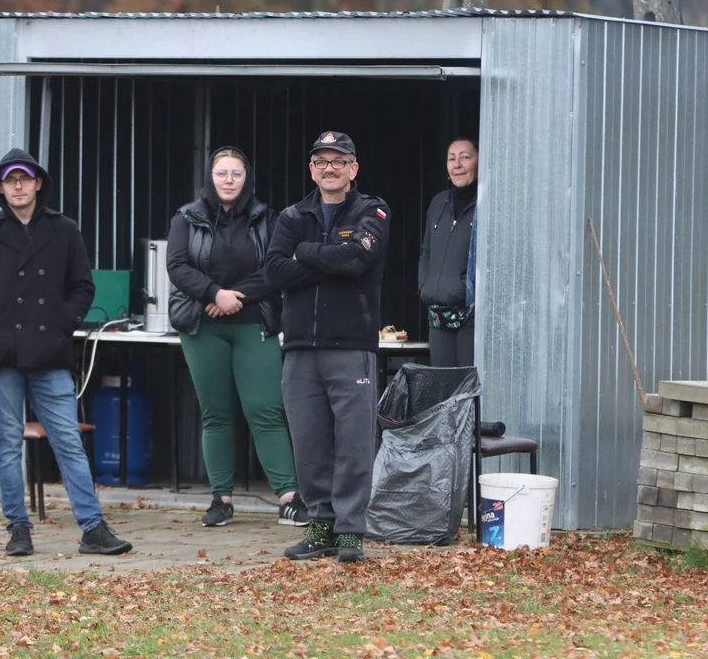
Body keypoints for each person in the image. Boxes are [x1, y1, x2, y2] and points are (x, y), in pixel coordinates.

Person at [0, 148, 133, 558]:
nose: (17, 185)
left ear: (38, 183)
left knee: (68, 441)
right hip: (3, 356)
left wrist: (61, 323)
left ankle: (93, 528)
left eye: (24, 178)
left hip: (51, 354)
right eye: (9, 179)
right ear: (0, 187)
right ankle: (18, 528)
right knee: (8, 445)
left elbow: (82, 286)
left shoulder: (64, 229)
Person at [264, 131, 391, 563]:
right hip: (300, 347)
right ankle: (320, 526)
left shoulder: (373, 210)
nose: (330, 168)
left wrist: (304, 254)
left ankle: (351, 530)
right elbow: (275, 273)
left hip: (351, 345)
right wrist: (327, 256)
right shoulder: (291, 216)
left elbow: (357, 260)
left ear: (353, 169)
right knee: (310, 442)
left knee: (354, 442)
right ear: (312, 169)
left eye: (339, 161)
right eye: (321, 161)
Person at [166, 146, 309, 529]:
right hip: (202, 326)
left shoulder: (267, 219)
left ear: (248, 178)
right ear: (210, 177)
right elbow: (177, 265)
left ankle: (289, 497)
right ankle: (221, 498)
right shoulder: (186, 217)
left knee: (265, 410)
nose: (229, 180)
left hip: (253, 323)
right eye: (221, 173)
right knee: (216, 413)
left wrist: (234, 297)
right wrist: (214, 294)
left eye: (236, 174)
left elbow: (277, 267)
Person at [418, 137, 478, 368]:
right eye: (452, 159)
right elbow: (426, 251)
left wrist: (468, 289)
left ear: (478, 162)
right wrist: (425, 286)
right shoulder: (438, 203)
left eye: (465, 157)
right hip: (438, 315)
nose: (458, 164)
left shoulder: (486, 203)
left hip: (470, 316)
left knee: (467, 390)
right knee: (444, 391)